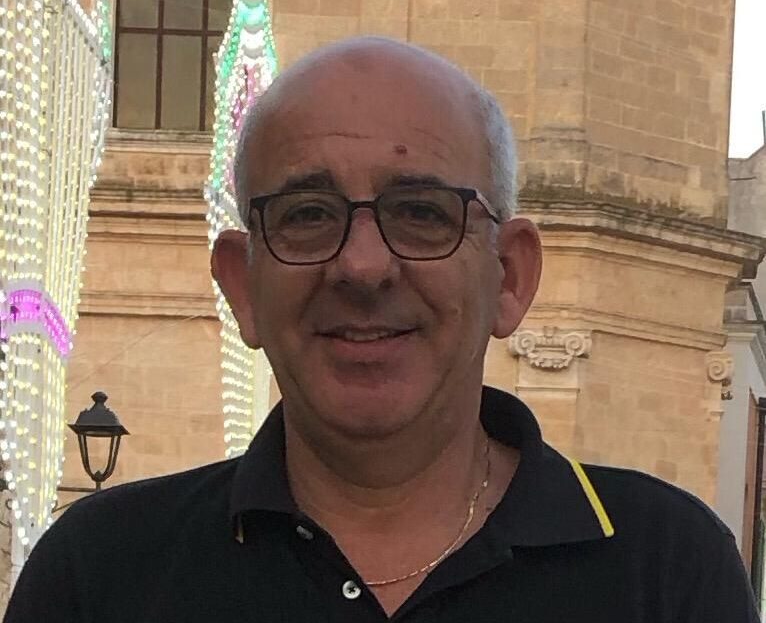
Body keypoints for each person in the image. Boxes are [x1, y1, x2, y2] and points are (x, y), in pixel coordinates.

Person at [4, 36, 758, 622]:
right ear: (243, 286)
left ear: (509, 276)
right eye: (307, 215)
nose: (363, 267)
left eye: (422, 212)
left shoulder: (668, 572)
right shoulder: (100, 574)